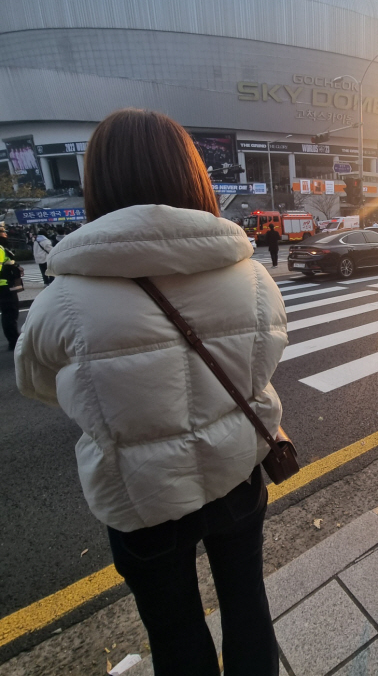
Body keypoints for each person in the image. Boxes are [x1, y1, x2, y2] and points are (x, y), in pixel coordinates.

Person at [15, 109, 287, 676]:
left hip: (140, 497)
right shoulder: (252, 275)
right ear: (192, 178)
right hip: (237, 473)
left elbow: (38, 385)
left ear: (99, 184)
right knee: (246, 603)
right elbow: (264, 361)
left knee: (173, 628)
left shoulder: (60, 300)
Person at [0, 226, 20, 350]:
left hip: (6, 284)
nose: (5, 234)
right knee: (9, 313)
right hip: (4, 285)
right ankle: (13, 341)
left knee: (10, 313)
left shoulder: (2, 248)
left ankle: (13, 338)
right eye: (2, 232)